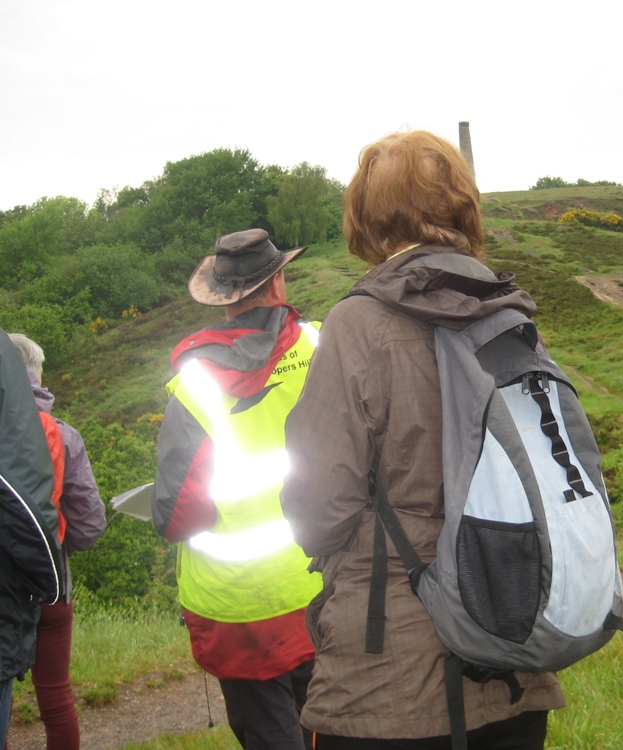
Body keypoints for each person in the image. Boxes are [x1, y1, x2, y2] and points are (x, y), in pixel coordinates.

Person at [280, 131, 565, 749]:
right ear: (462, 205)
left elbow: (320, 506)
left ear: (365, 215)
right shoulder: (509, 314)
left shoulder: (358, 323)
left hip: (392, 675)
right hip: (511, 640)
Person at [152, 229, 322, 750]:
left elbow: (178, 514)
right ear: (277, 283)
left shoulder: (197, 383)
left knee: (270, 735)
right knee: (331, 724)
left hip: (238, 605)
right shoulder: (321, 345)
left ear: (223, 297)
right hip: (324, 585)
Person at [8, 334, 107, 750]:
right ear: (35, 374)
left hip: (2, 590)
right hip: (50, 586)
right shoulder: (63, 436)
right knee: (54, 694)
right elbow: (89, 525)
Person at [0, 328, 63, 744]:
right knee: (57, 693)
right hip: (32, 573)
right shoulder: (56, 431)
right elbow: (25, 502)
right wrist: (53, 576)